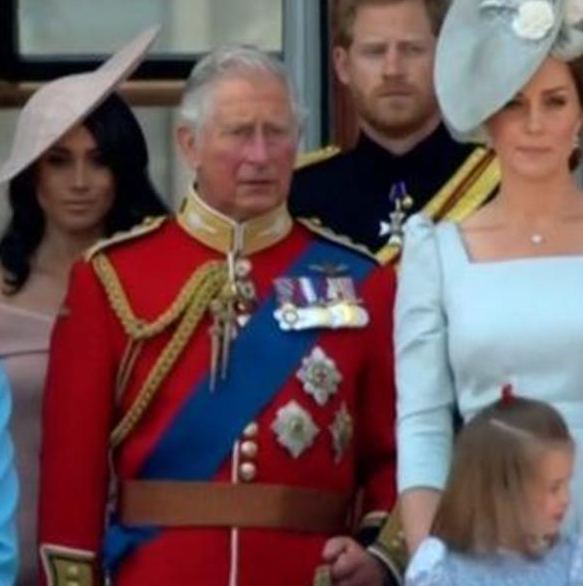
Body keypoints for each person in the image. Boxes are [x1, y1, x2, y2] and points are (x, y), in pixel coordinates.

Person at [36, 44, 401, 585]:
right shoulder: (111, 277)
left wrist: (379, 556)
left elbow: (396, 454)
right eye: (238, 132)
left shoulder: (364, 280)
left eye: (276, 132)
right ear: (190, 145)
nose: (260, 154)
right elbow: (72, 477)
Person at [397, 0, 583, 556]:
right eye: (515, 104)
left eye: (555, 102)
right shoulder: (437, 248)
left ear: (582, 115)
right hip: (482, 534)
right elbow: (422, 424)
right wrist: (429, 560)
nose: (535, 125)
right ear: (490, 119)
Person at [0, 27, 168, 585]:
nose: (80, 182)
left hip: (140, 559)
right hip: (3, 560)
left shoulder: (164, 294)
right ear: (32, 175)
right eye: (59, 161)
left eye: (98, 161)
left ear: (122, 171)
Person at [290, 0, 500, 264]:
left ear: (446, 57)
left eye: (412, 49)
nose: (393, 70)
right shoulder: (299, 194)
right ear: (343, 66)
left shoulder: (499, 186)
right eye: (375, 52)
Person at [406, 391, 583, 585]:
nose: (566, 498)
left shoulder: (572, 562)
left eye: (567, 483)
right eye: (554, 488)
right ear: (501, 493)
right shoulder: (442, 567)